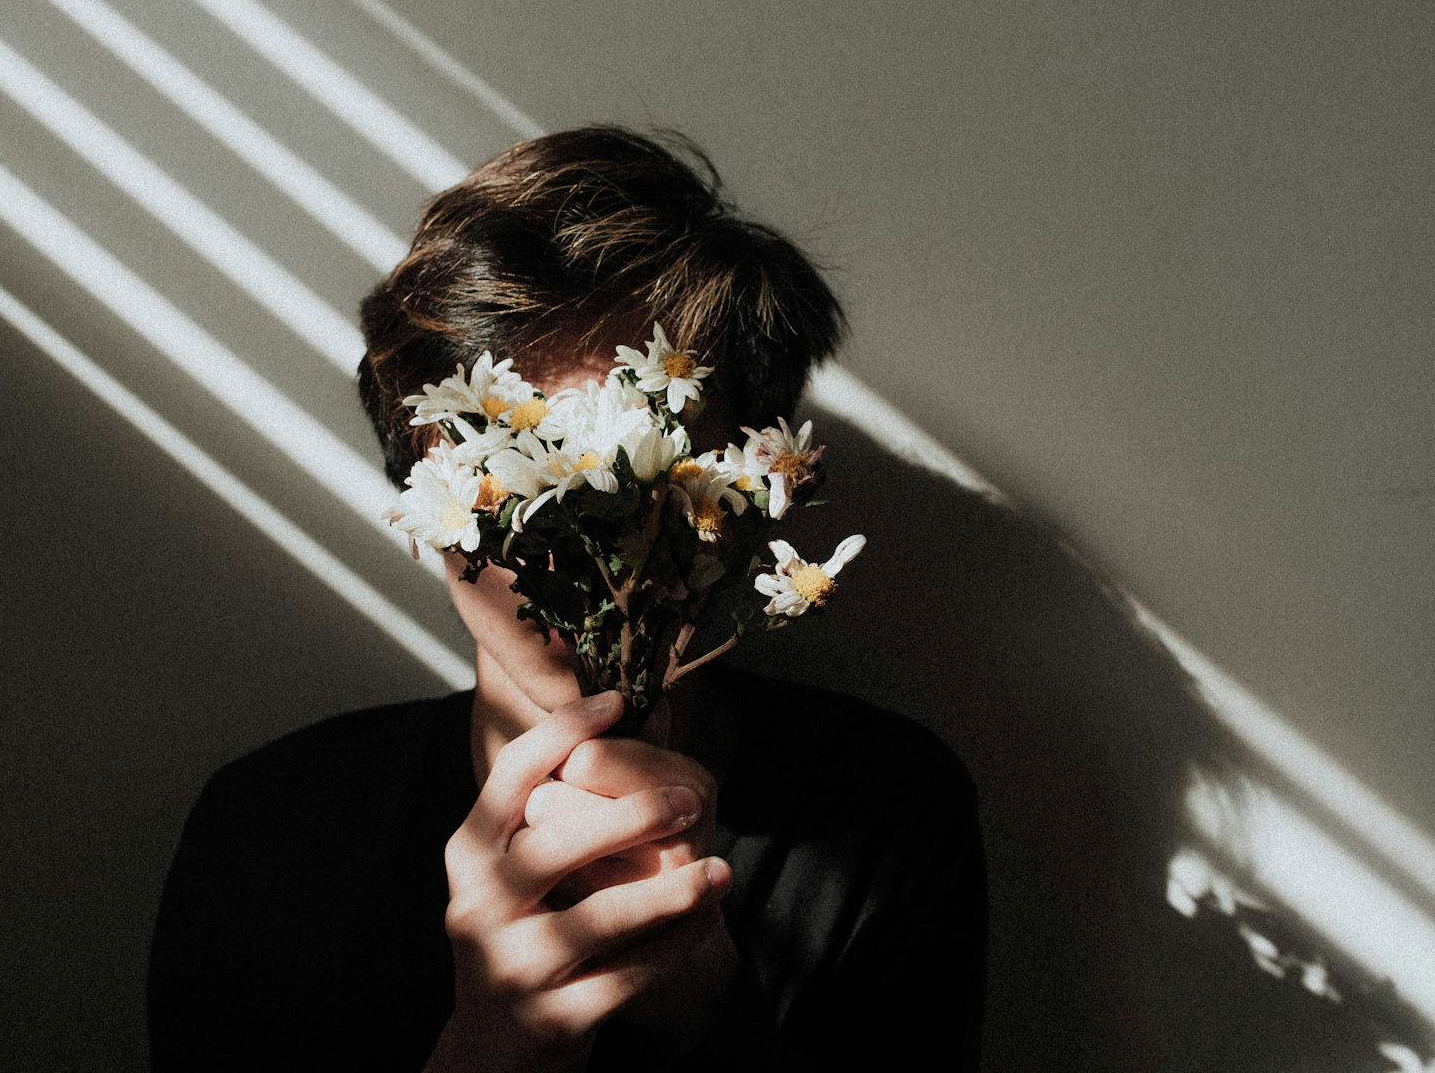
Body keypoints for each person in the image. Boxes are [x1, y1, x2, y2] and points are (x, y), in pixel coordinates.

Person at [147, 127, 988, 1070]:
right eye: (515, 483)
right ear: (425, 496)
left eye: (649, 483)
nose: (581, 550)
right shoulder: (273, 836)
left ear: (751, 492)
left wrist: (707, 1015)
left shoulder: (879, 814)